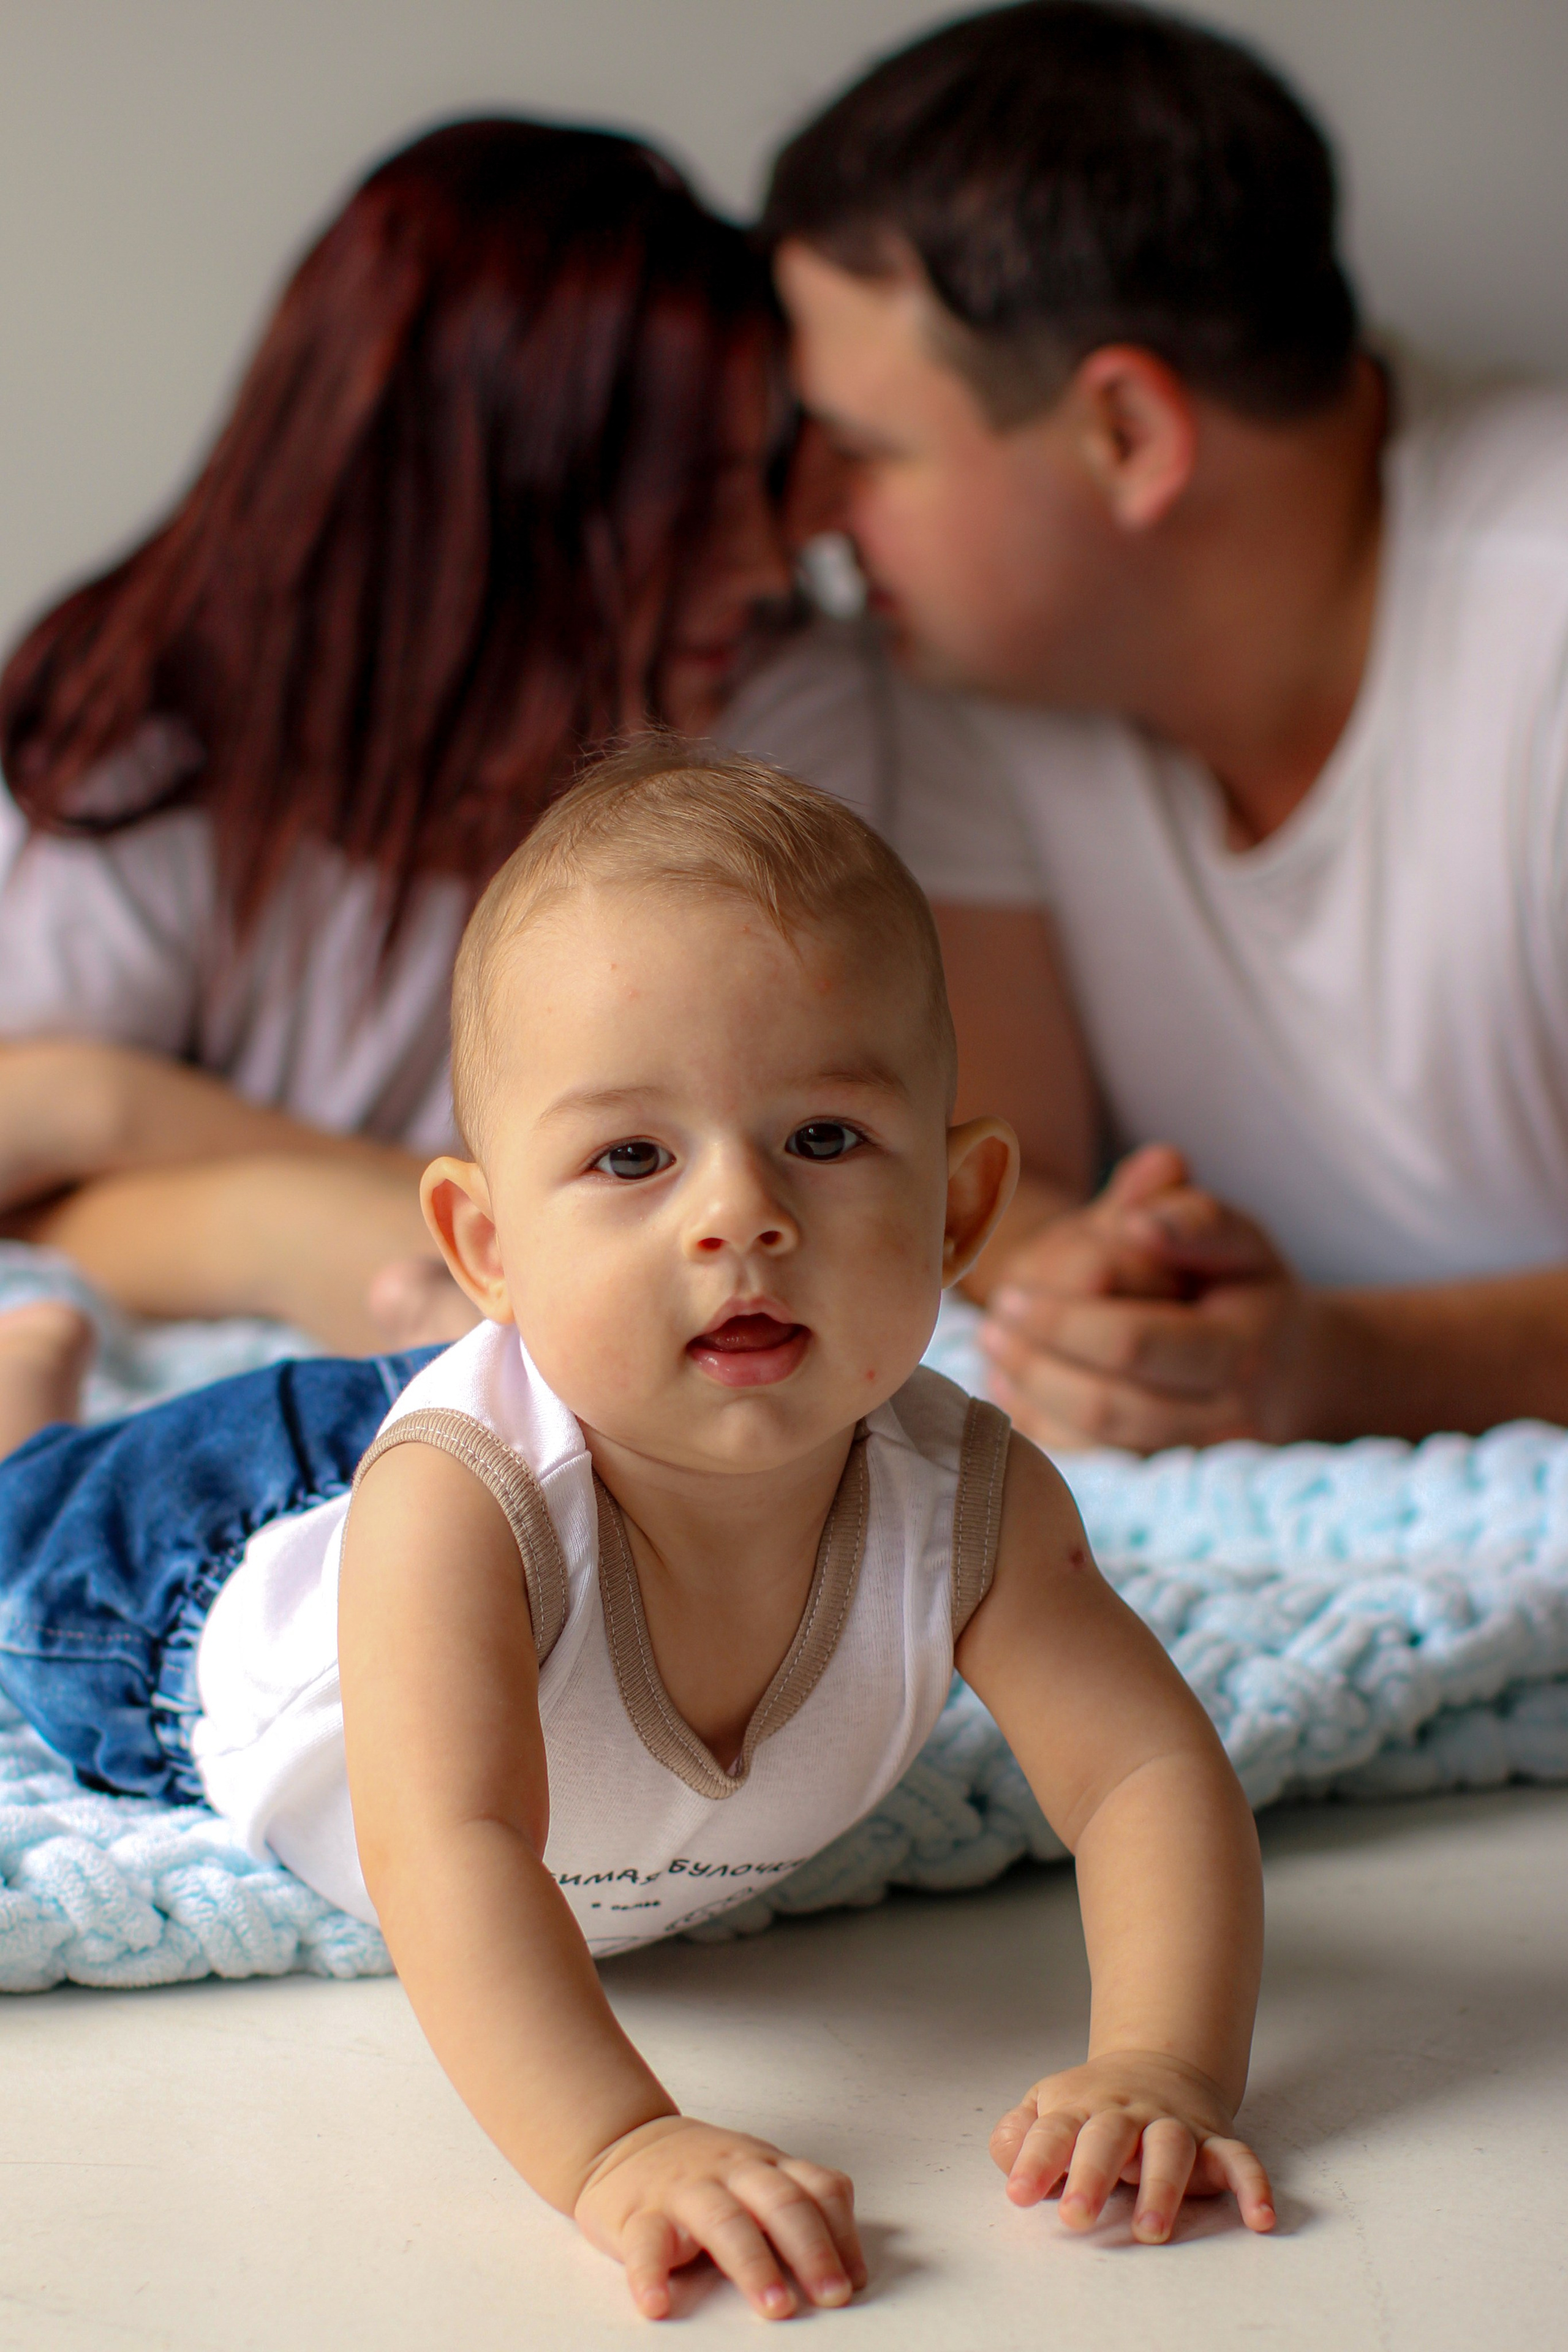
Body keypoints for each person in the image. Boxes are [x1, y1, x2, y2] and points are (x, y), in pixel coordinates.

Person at [0, 745, 1274, 2316]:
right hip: (220, 1559)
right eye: (630, 1157)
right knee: (21, 1552)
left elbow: (1146, 1773)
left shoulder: (974, 1502)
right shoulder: (453, 1517)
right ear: (487, 1238)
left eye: (821, 1137)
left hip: (584, 1382)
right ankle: (30, 1400)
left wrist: (1162, 2061)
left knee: (569, 1366)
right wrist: (621, 2147)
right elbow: (445, 1848)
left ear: (957, 1214)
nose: (737, 1214)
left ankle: (463, 1325)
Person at [764, 0, 1568, 1450]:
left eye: (867, 455)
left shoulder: (1541, 628)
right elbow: (1005, 1168)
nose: (812, 520)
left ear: (1124, 436)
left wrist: (1345, 1369)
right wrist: (1083, 1280)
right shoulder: (981, 665)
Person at [0, 114, 797, 1371]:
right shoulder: (142, 758)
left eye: (763, 485)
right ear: (486, 509)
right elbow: (21, 1198)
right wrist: (258, 1213)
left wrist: (133, 1121)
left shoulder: (753, 725)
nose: (762, 566)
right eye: (692, 505)